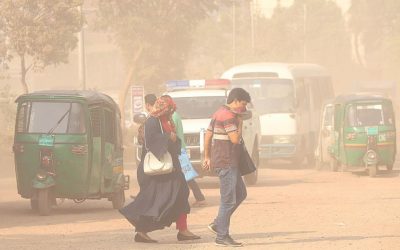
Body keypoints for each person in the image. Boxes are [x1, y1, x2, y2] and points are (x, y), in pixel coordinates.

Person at [120, 95, 200, 243]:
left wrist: (173, 139)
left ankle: (183, 230)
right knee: (155, 201)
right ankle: (140, 229)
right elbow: (150, 142)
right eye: (170, 109)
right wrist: (168, 137)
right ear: (163, 108)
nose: (171, 112)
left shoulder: (167, 121)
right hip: (158, 171)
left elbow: (174, 140)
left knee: (182, 193)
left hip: (172, 168)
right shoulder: (152, 121)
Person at [203, 88, 251, 247]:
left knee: (241, 193)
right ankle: (222, 235)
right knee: (228, 200)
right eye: (243, 104)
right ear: (236, 101)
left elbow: (208, 135)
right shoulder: (230, 117)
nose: (243, 108)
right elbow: (235, 139)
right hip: (227, 162)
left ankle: (218, 223)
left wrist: (207, 156)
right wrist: (241, 120)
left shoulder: (218, 113)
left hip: (225, 161)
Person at [171, 108, 207, 207]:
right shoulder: (175, 115)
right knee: (186, 176)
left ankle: (200, 198)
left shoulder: (172, 116)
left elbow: (171, 132)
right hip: (180, 149)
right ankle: (199, 197)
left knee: (187, 176)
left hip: (179, 150)